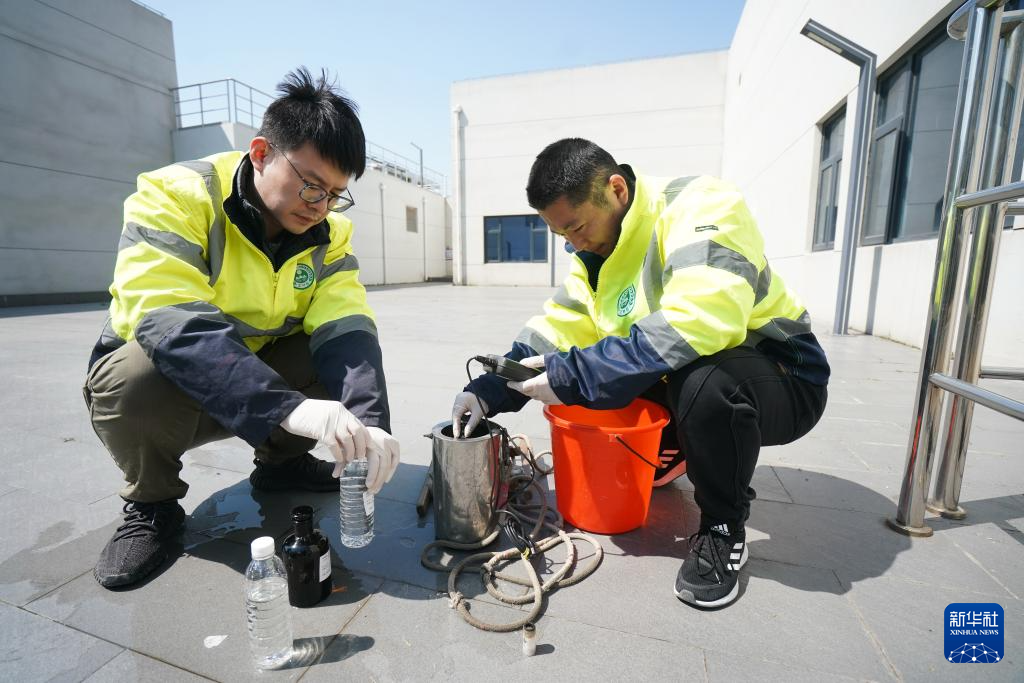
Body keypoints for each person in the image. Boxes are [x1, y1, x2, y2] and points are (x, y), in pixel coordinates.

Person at [452, 138, 829, 608]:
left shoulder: (702, 204)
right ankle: (681, 448)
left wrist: (575, 377)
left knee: (700, 383)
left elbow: (703, 319)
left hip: (781, 374)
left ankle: (722, 529)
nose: (573, 243)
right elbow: (560, 329)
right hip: (686, 373)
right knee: (608, 370)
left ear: (616, 189)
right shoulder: (596, 253)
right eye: (561, 234)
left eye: (577, 227)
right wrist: (490, 389)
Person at [84, 68, 400, 589]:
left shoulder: (329, 233)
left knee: (333, 355)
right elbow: (171, 322)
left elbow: (346, 323)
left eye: (335, 194)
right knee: (135, 375)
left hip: (252, 379)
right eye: (311, 185)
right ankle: (153, 505)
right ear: (260, 153)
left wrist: (372, 421)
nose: (320, 207)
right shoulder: (176, 195)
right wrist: (288, 408)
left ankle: (282, 465)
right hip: (175, 384)